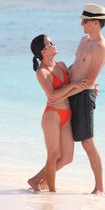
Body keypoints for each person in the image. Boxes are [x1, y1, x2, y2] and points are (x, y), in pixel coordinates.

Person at [28, 34, 90, 192]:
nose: (54, 44)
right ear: (43, 50)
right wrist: (73, 86)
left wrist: (89, 87)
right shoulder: (42, 72)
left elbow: (74, 85)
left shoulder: (62, 65)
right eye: (50, 43)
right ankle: (51, 192)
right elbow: (53, 95)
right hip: (52, 115)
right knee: (53, 155)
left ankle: (37, 180)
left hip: (66, 115)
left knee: (67, 158)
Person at [63, 3, 105, 195]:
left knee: (87, 142)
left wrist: (61, 94)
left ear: (96, 22)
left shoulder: (101, 47)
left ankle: (99, 188)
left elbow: (89, 80)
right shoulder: (83, 40)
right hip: (69, 91)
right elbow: (75, 67)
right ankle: (41, 180)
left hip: (81, 95)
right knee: (63, 141)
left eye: (85, 21)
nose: (82, 25)